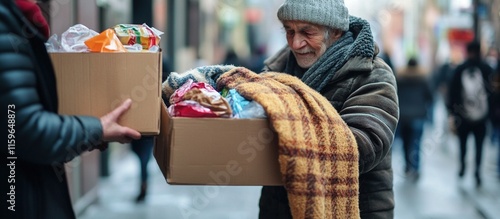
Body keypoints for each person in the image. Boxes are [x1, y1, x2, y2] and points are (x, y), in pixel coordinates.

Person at [0, 0, 141, 218]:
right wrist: (96, 129)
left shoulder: (19, 18)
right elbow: (21, 130)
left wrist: (87, 133)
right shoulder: (6, 19)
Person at [258, 0, 399, 218]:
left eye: (307, 32)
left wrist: (286, 139)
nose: (296, 43)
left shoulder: (372, 75)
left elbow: (364, 146)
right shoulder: (274, 74)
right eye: (289, 31)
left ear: (334, 31)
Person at [446, 41, 493, 186]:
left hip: (463, 115)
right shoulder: (487, 69)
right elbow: (493, 92)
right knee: (479, 145)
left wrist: (452, 112)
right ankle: (477, 172)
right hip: (482, 116)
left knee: (463, 144)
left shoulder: (460, 69)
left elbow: (452, 92)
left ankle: (462, 167)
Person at [395, 57, 433, 181]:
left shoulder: (400, 79)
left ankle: (407, 166)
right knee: (416, 143)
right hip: (418, 115)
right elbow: (430, 96)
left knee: (405, 143)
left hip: (404, 115)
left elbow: (395, 95)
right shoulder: (423, 79)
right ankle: (415, 168)